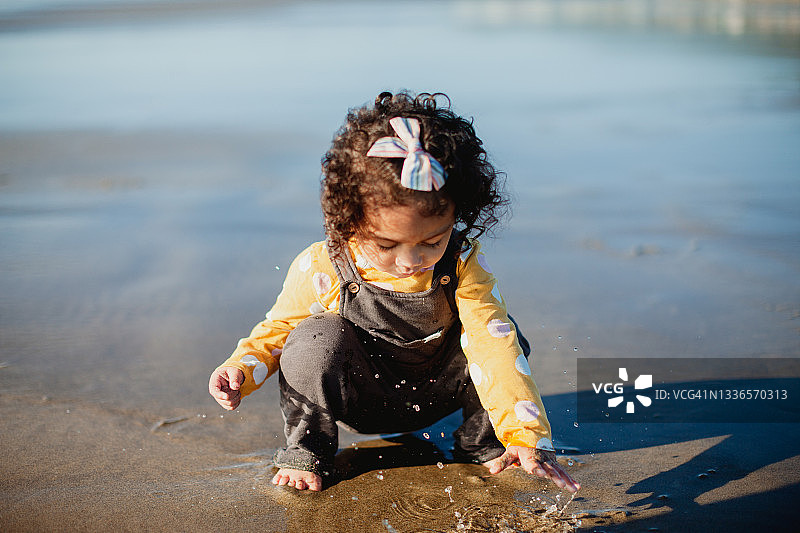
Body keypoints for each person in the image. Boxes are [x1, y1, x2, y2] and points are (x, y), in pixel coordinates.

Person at [209, 91, 580, 493]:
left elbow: (494, 347)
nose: (411, 261)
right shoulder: (324, 264)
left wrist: (526, 434)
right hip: (359, 396)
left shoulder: (460, 261)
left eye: (433, 241)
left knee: (502, 333)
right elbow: (280, 329)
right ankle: (308, 449)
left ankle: (486, 443)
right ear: (347, 220)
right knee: (311, 338)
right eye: (387, 246)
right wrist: (241, 369)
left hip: (437, 391)